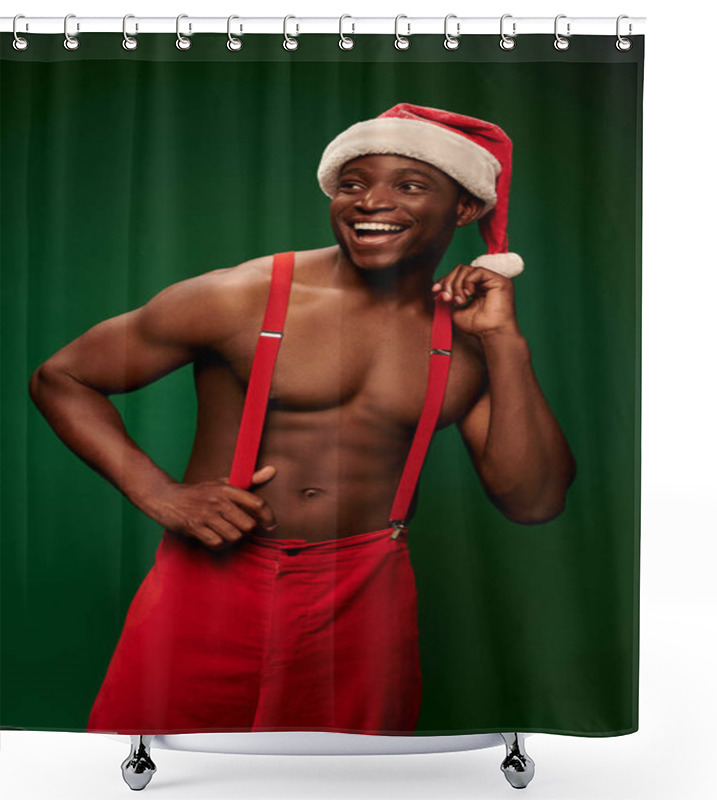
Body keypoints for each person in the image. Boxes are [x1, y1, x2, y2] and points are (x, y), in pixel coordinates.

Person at [28, 103, 576, 735]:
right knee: (163, 747)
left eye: (410, 185)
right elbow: (62, 377)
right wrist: (161, 494)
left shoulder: (475, 339)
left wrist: (507, 342)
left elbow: (533, 501)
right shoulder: (240, 295)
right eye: (352, 183)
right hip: (212, 577)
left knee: (346, 776)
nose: (371, 202)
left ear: (465, 208)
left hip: (365, 591)